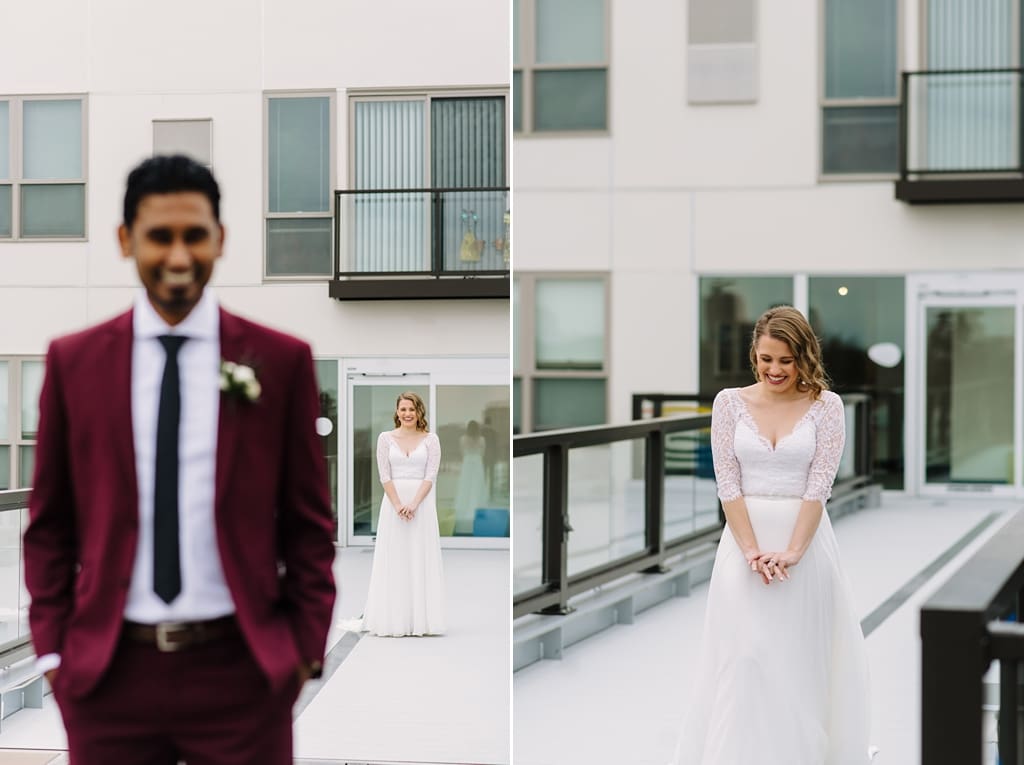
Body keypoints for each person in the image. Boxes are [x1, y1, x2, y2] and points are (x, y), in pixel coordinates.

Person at [23, 155, 337, 765]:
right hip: (108, 676)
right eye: (158, 236)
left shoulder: (281, 360)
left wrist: (302, 650)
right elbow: (49, 525)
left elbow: (308, 526)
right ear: (125, 240)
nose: (177, 256)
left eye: (194, 235)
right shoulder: (73, 363)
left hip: (242, 673)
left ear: (219, 238)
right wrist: (55, 655)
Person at [674, 306, 872, 764]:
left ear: (803, 356)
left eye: (785, 360)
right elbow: (728, 483)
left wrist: (792, 552)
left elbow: (819, 485)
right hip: (743, 548)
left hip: (805, 547)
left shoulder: (827, 407)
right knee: (744, 656)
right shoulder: (728, 404)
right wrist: (752, 551)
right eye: (766, 359)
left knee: (798, 659)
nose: (774, 370)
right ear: (754, 355)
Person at [359, 392, 445, 636]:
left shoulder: (431, 439)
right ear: (397, 412)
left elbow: (431, 476)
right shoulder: (385, 438)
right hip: (393, 505)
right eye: (403, 409)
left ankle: (421, 620)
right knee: (395, 558)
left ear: (419, 412)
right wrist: (398, 505)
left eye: (412, 409)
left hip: (422, 504)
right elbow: (384, 475)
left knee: (420, 556)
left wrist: (414, 504)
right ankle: (394, 618)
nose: (407, 414)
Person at [454, 420, 489, 535]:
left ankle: (463, 509)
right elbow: (483, 453)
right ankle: (476, 508)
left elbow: (461, 452)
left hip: (467, 461)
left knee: (465, 486)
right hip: (477, 461)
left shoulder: (463, 439)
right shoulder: (482, 439)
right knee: (477, 486)